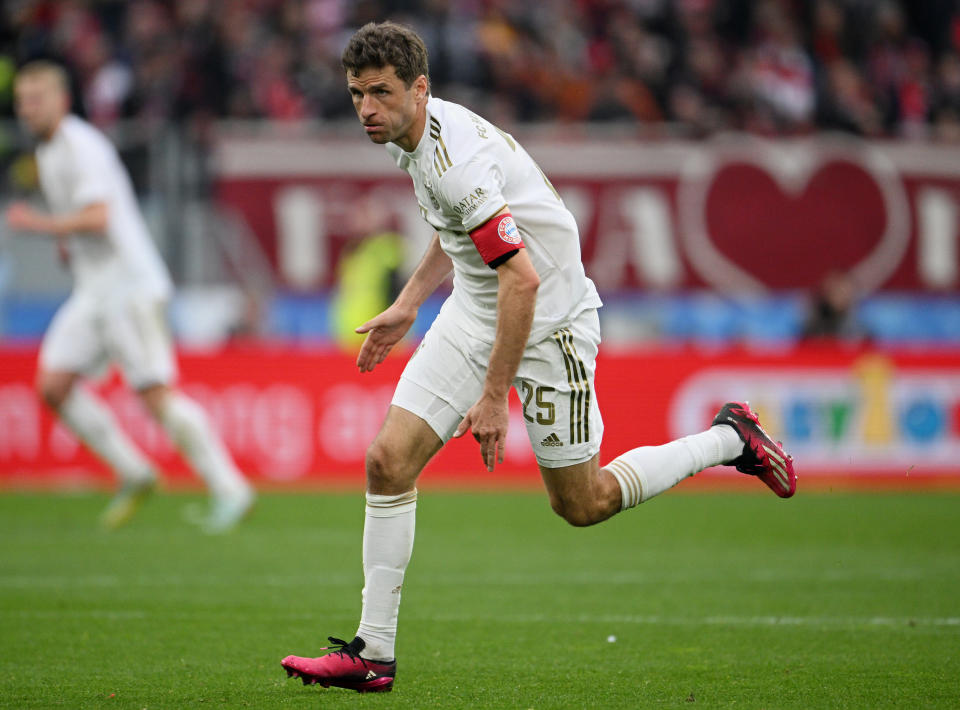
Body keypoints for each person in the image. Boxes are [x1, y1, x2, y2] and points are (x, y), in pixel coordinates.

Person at [281, 22, 796, 693]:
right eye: (356, 94)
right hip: (477, 305)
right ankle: (373, 652)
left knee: (583, 503)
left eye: (380, 93)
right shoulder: (415, 140)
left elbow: (520, 276)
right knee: (387, 460)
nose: (366, 109)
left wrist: (495, 398)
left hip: (548, 320)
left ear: (420, 88)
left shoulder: (453, 159)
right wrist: (410, 302)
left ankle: (730, 439)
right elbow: (458, 232)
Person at [4, 60, 255, 533]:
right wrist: (66, 242)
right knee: (52, 385)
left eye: (36, 99)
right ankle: (134, 470)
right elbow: (91, 221)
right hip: (95, 290)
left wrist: (38, 225)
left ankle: (231, 489)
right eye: (21, 101)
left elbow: (98, 217)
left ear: (61, 99)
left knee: (156, 395)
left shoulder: (81, 145)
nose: (27, 109)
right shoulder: (52, 150)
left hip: (128, 289)